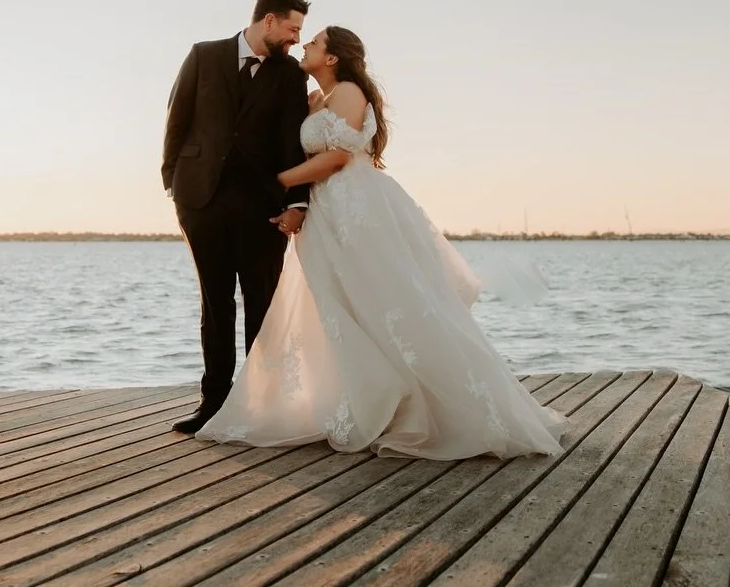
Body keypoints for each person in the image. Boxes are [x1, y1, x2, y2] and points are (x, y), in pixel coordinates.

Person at [196, 26, 567, 458]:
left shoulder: (351, 92)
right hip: (329, 213)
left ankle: (442, 406)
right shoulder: (322, 100)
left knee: (386, 303)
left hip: (357, 213)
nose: (305, 46)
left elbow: (336, 159)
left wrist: (273, 183)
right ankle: (364, 398)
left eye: (313, 43)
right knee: (343, 307)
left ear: (332, 58)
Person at [162, 0, 313, 434]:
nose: (295, 39)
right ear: (268, 20)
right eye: (292, 28)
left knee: (261, 304)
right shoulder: (204, 55)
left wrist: (296, 202)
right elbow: (177, 116)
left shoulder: (289, 75)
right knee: (215, 303)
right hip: (200, 200)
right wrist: (173, 183)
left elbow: (291, 139)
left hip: (262, 207)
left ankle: (260, 405)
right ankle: (214, 403)